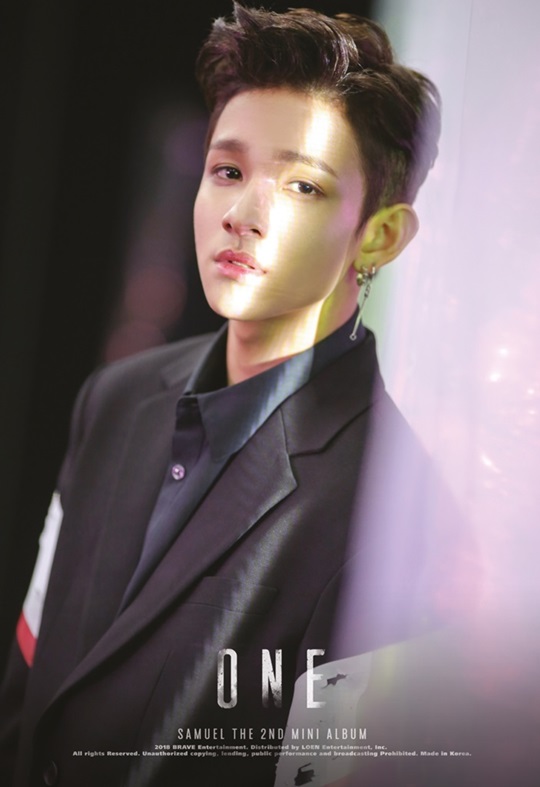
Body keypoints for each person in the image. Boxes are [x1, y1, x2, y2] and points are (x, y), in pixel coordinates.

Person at [0, 3, 451, 785]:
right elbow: (27, 687)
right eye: (228, 171)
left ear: (378, 235)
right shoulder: (115, 399)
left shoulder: (389, 510)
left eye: (302, 185)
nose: (242, 215)